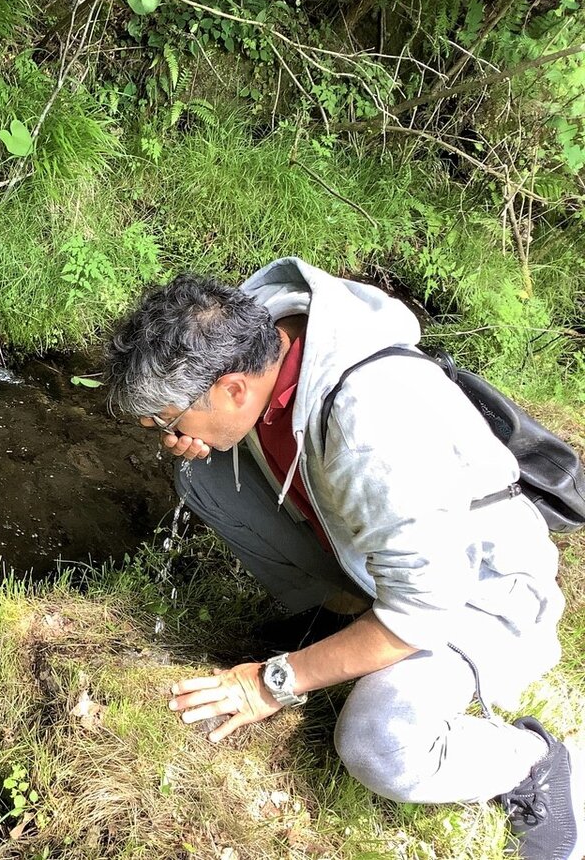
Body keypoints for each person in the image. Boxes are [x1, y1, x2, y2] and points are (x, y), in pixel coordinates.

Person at [104, 257, 582, 860]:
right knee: (203, 476)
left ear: (231, 388)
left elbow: (421, 613)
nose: (165, 434)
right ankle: (341, 614)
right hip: (385, 558)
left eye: (169, 420)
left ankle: (528, 765)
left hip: (479, 594)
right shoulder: (261, 333)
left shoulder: (370, 427)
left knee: (379, 744)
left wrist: (275, 682)